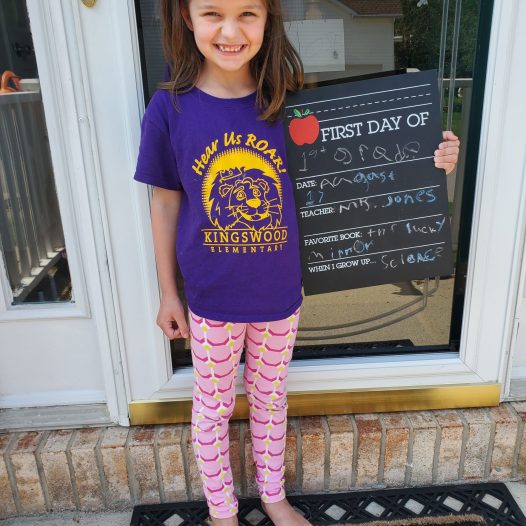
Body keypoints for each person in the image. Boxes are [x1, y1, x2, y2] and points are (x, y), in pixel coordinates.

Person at [133, 1, 460, 524]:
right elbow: (166, 202)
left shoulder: (290, 105)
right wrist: (168, 293)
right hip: (211, 298)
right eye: (213, 13)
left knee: (270, 400)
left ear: (269, 19)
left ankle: (273, 496)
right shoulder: (169, 108)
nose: (231, 30)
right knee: (212, 408)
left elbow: (355, 170)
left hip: (280, 294)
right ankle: (222, 511)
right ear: (187, 18)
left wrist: (427, 157)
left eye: (248, 13)